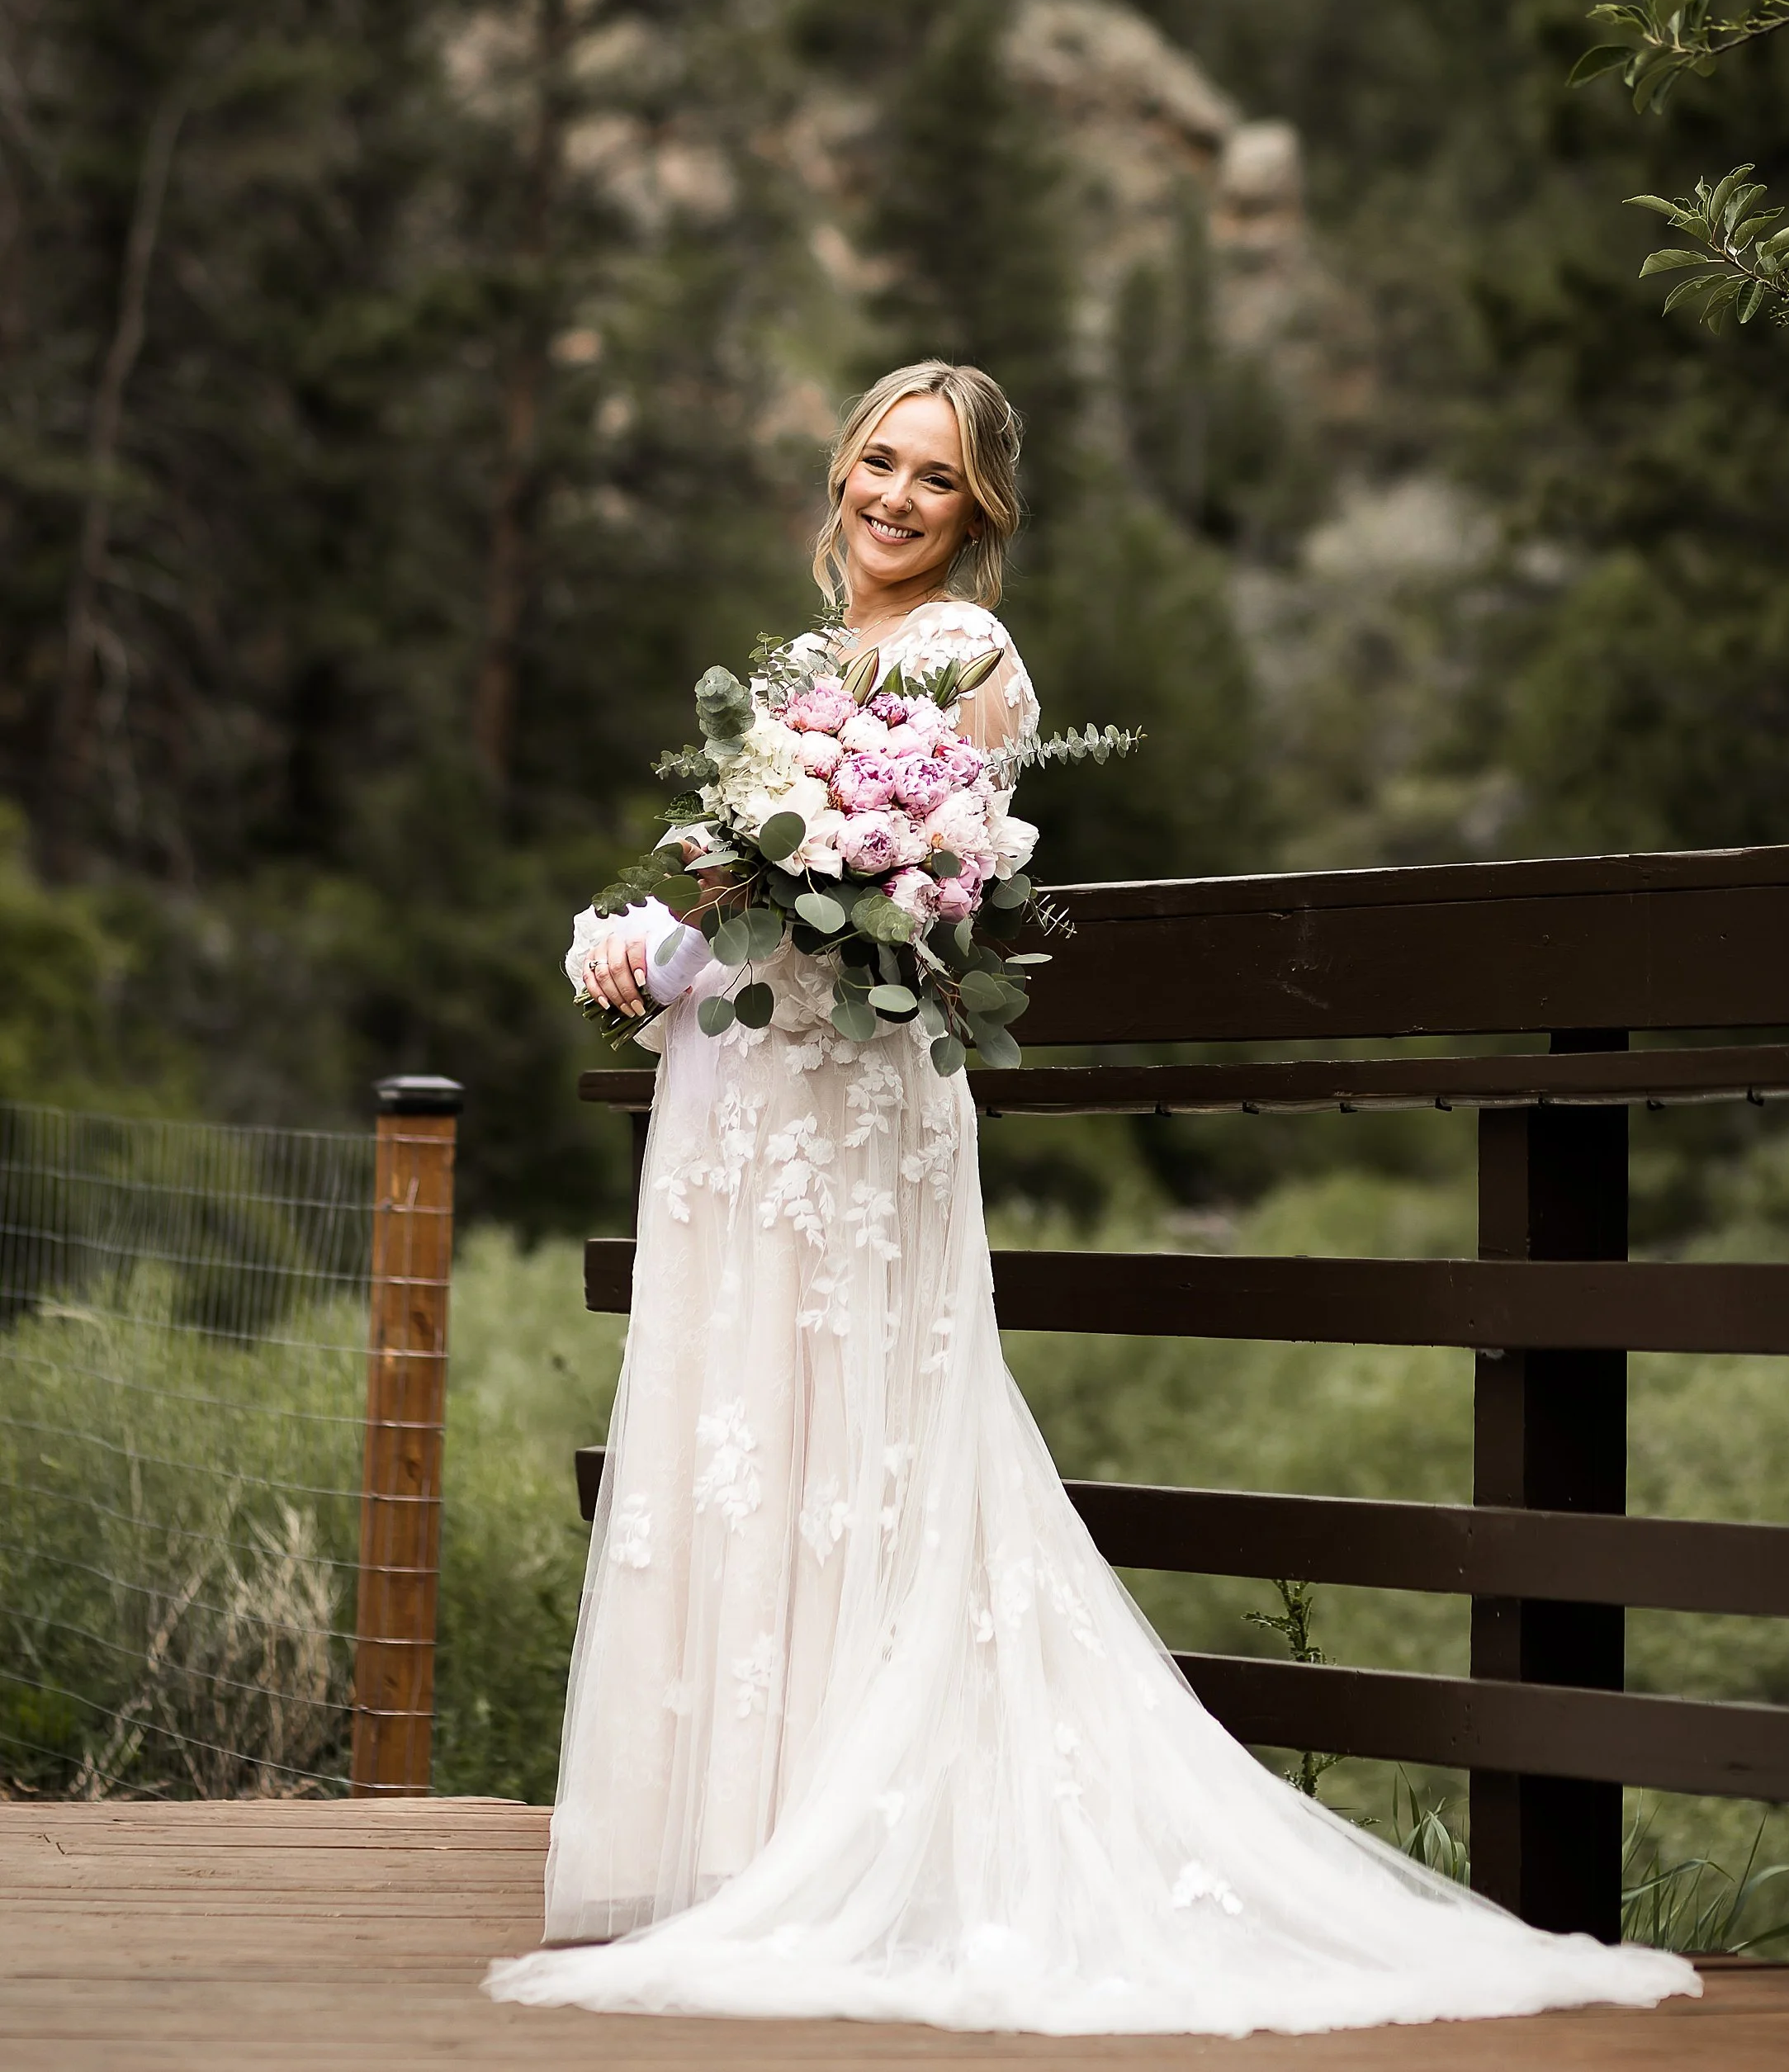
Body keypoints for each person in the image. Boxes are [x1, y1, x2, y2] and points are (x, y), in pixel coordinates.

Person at [486, 360, 1697, 2033]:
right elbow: (729, 888)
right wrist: (635, 944)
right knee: (745, 1423)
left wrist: (823, 855)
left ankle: (870, 1842)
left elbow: (935, 890)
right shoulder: (788, 669)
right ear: (838, 469)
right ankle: (750, 1845)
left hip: (858, 1102)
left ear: (976, 512)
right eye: (877, 462)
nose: (895, 497)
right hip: (741, 1087)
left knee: (873, 1432)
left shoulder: (967, 662)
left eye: (935, 479)